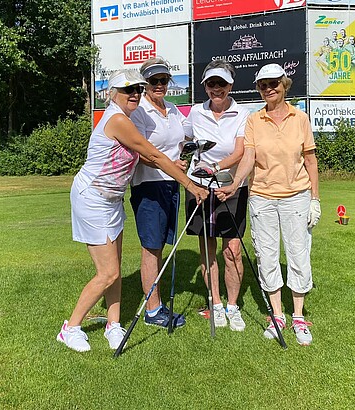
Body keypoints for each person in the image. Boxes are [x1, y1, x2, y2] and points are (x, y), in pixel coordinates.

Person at [57, 69, 208, 352]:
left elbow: (148, 156)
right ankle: (71, 328)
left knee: (114, 269)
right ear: (113, 94)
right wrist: (190, 184)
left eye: (138, 89)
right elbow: (152, 154)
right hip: (93, 197)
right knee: (108, 273)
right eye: (129, 90)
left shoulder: (126, 118)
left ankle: (113, 324)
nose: (135, 94)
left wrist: (175, 165)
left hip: (113, 200)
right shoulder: (117, 119)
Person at [215, 63, 321, 346]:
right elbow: (248, 158)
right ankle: (277, 315)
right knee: (267, 256)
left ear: (284, 85)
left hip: (296, 196)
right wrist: (235, 184)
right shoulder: (254, 120)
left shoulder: (300, 118)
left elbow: (310, 161)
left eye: (273, 83)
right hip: (262, 197)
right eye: (263, 85)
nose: (268, 89)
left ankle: (298, 316)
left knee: (298, 254)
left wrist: (315, 199)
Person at [183, 60, 250, 331]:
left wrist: (216, 167)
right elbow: (184, 141)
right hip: (199, 187)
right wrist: (185, 153)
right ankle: (217, 304)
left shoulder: (242, 113)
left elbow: (239, 151)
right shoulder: (196, 112)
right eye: (211, 83)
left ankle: (233, 306)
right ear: (205, 86)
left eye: (221, 83)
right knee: (207, 248)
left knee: (232, 250)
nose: (216, 88)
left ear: (230, 85)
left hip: (231, 187)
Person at [129, 57, 188, 328]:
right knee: (151, 248)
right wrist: (169, 165)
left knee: (160, 245)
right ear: (145, 84)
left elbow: (184, 140)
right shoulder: (139, 111)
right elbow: (139, 153)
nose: (159, 85)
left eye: (164, 80)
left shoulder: (173, 110)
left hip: (171, 184)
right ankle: (152, 311)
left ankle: (157, 304)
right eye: (154, 81)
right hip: (149, 185)